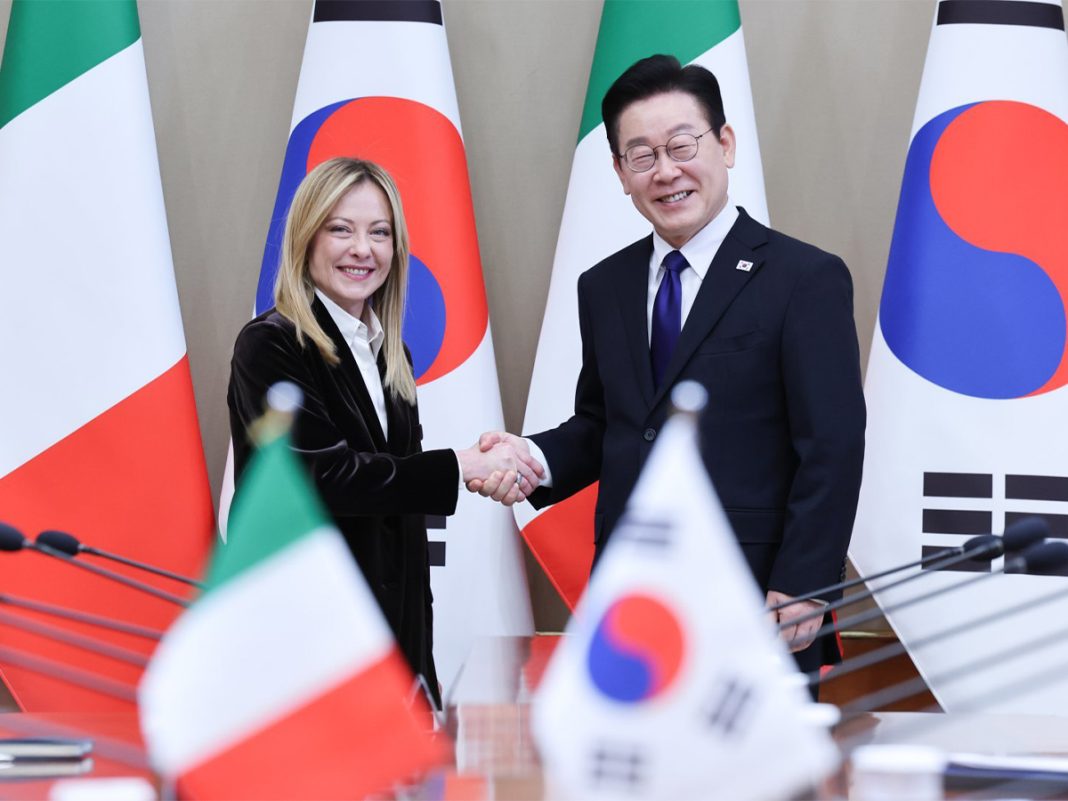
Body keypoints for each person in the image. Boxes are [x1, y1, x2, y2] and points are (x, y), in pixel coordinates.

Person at [475, 55, 866, 669]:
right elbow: (609, 424)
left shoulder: (803, 278)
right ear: (620, 172)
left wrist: (804, 583)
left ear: (725, 144)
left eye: (682, 146)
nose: (665, 171)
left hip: (757, 600)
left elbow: (833, 446)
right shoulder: (604, 286)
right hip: (632, 603)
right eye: (642, 156)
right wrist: (532, 458)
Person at [228, 157, 539, 706]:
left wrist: (421, 670)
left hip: (395, 651)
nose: (362, 249)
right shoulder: (271, 344)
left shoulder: (392, 357)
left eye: (379, 233)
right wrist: (462, 465)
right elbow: (320, 480)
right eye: (340, 229)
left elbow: (399, 513)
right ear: (306, 238)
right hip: (312, 649)